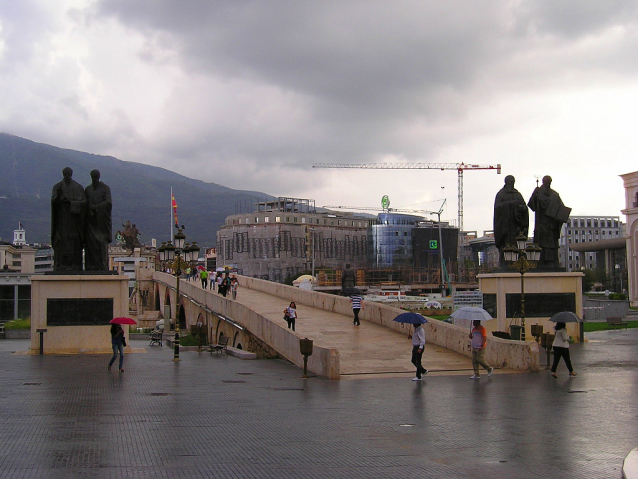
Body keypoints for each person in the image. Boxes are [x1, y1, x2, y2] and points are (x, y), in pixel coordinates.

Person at [527, 176, 571, 269]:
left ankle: (552, 262)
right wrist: (534, 194)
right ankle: (541, 262)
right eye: (546, 181)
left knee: (551, 244)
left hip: (552, 225)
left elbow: (560, 208)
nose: (547, 183)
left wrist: (562, 216)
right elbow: (531, 205)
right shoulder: (538, 192)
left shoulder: (555, 194)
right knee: (541, 243)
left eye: (549, 181)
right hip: (541, 223)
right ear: (543, 181)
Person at [51, 167, 87, 271]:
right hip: (61, 220)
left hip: (74, 221)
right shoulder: (57, 187)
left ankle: (75, 265)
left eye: (68, 173)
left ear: (71, 174)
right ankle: (61, 265)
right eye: (65, 173)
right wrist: (58, 196)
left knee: (74, 241)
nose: (67, 175)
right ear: (63, 174)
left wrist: (71, 202)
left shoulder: (78, 187)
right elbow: (53, 202)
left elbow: (84, 203)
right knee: (61, 242)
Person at [493, 175, 529, 269]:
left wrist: (522, 208)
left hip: (515, 226)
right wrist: (510, 204)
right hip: (504, 226)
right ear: (506, 182)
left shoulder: (517, 194)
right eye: (510, 182)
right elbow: (497, 208)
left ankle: (518, 264)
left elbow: (524, 207)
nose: (512, 184)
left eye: (513, 182)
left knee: (517, 244)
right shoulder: (501, 194)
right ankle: (505, 265)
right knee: (505, 246)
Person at [84, 170, 112, 271]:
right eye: (93, 176)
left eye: (96, 176)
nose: (94, 178)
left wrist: (95, 207)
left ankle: (102, 264)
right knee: (90, 243)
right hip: (91, 221)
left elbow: (108, 202)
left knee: (101, 242)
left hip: (101, 221)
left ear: (99, 177)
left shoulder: (105, 188)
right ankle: (90, 265)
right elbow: (84, 204)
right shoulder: (87, 190)